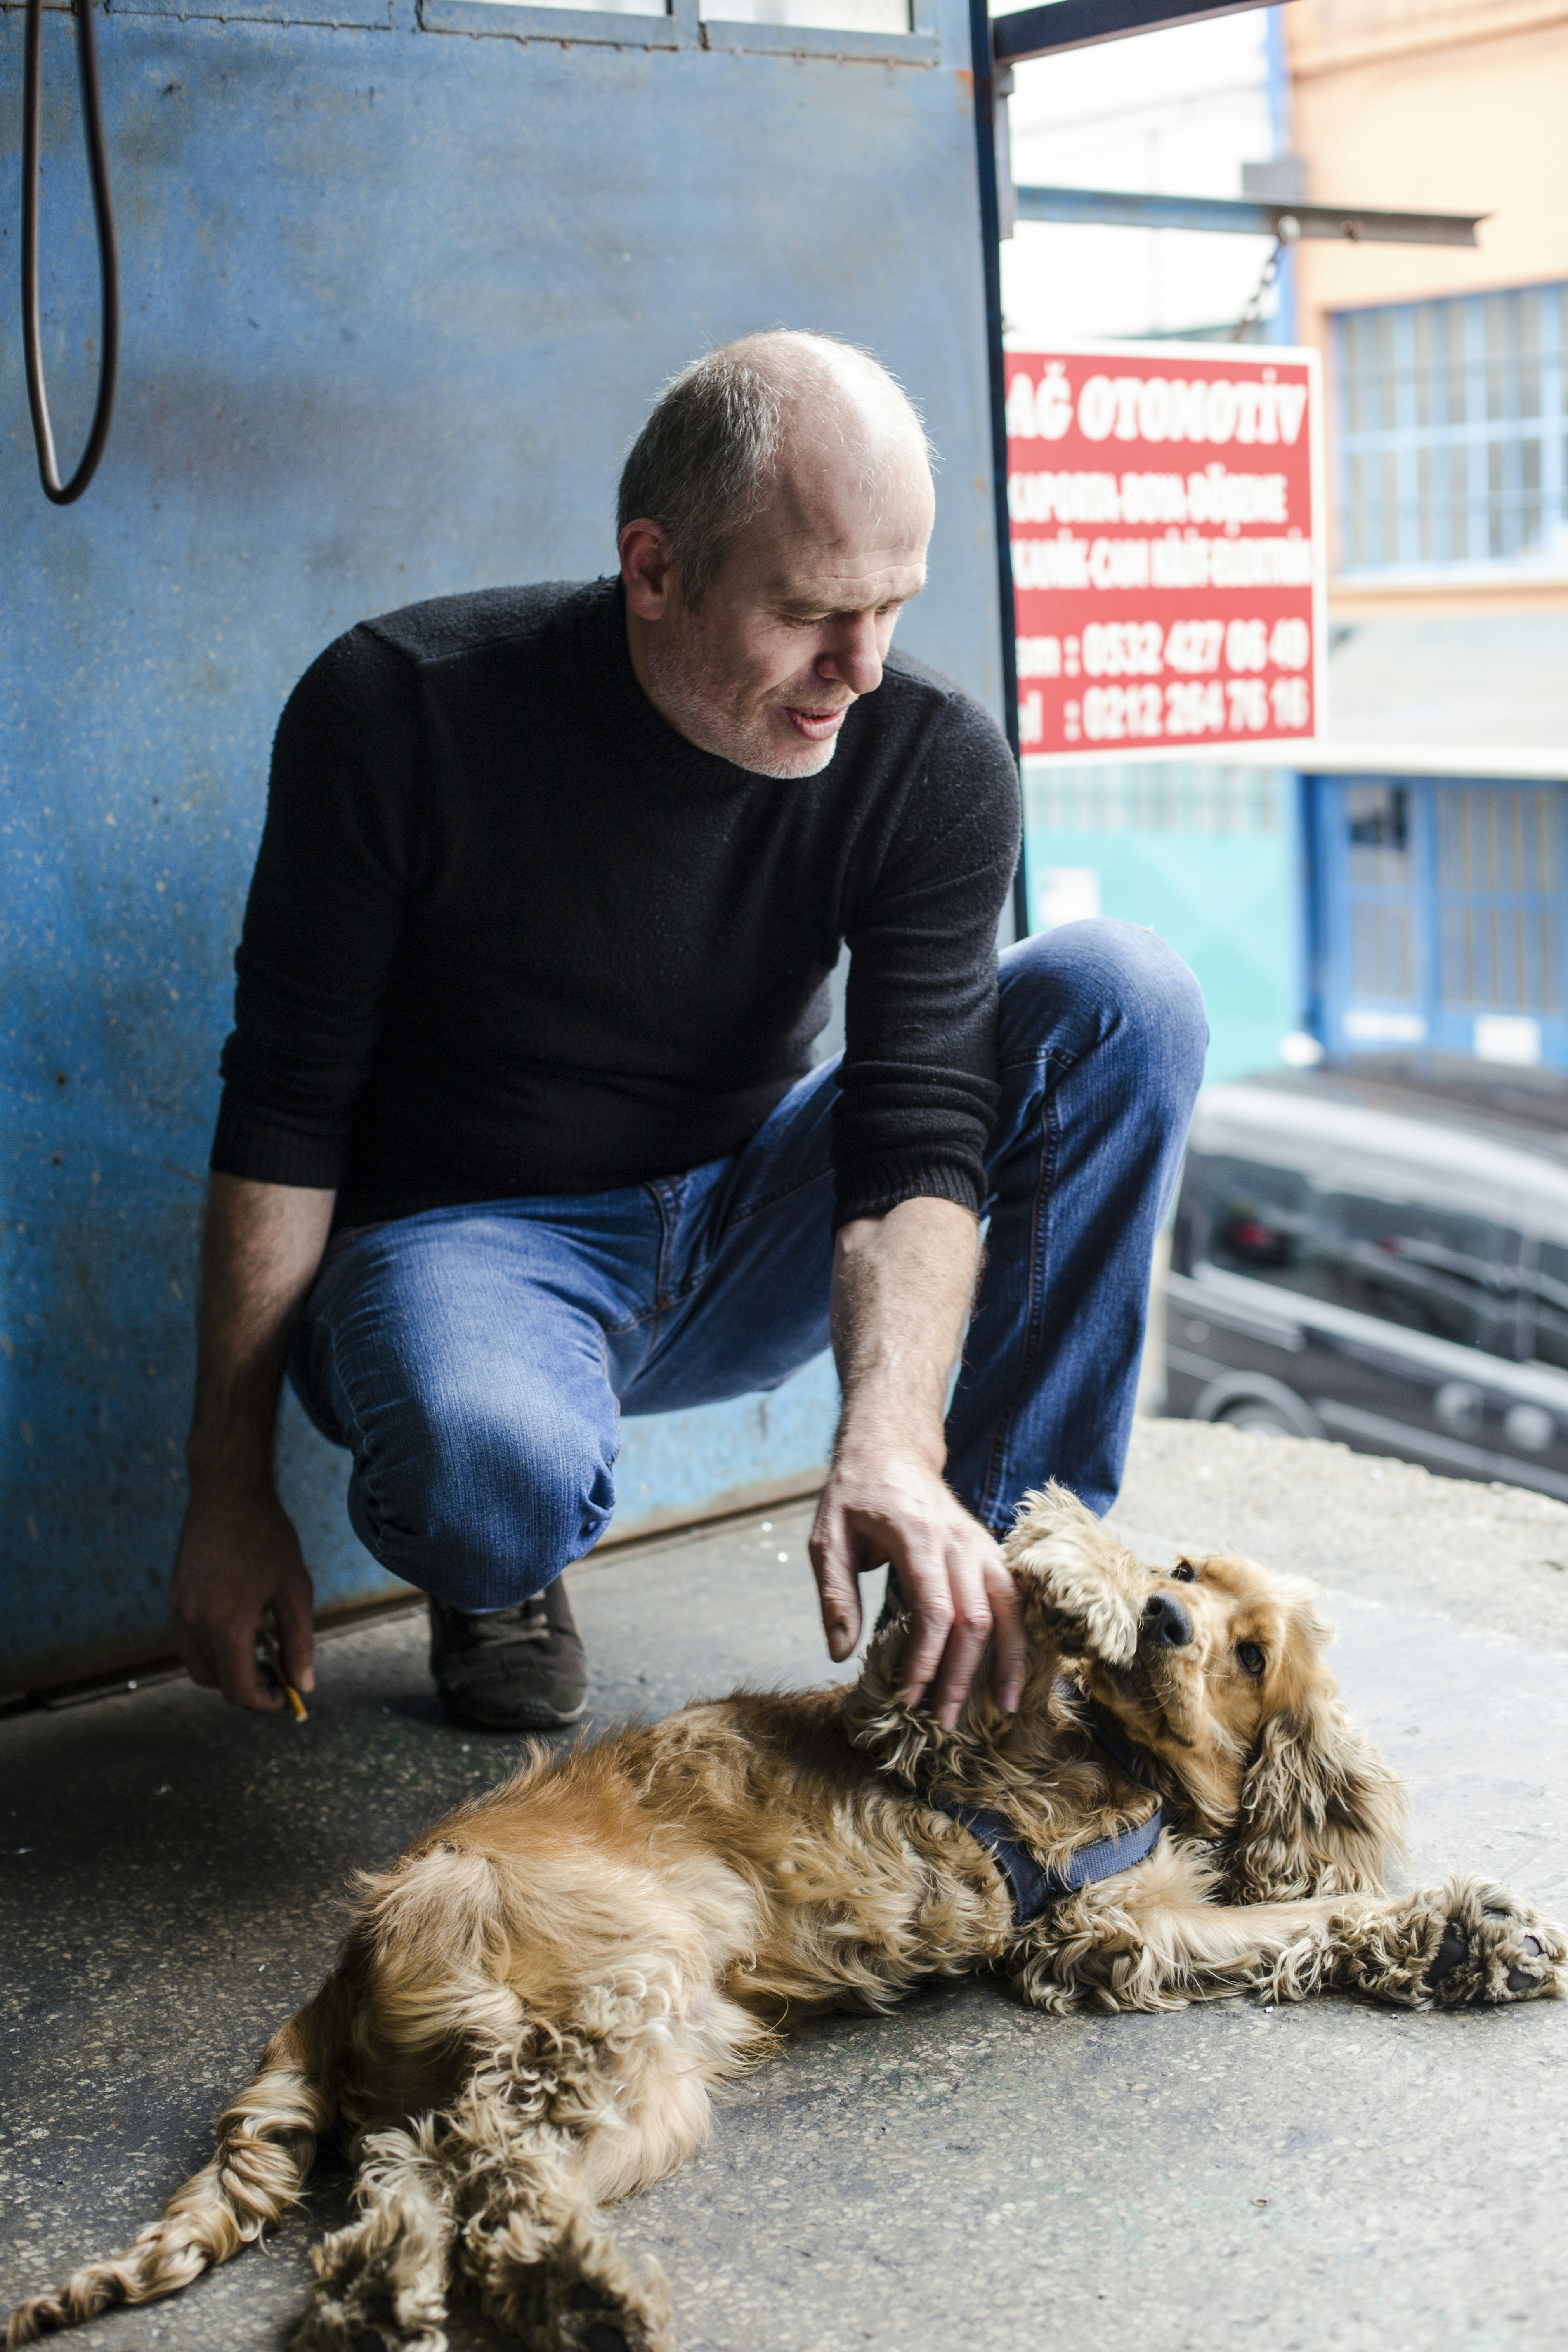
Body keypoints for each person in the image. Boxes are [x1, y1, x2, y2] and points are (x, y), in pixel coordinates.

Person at [169, 330, 1207, 1733]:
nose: (862, 666)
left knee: (1123, 995)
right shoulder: (396, 710)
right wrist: (227, 1490)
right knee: (490, 1481)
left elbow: (918, 1132)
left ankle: (1001, 1589)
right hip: (471, 1245)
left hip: (746, 1218)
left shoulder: (925, 759)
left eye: (894, 606)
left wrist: (892, 1436)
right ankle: (504, 1564)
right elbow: (286, 1105)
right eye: (813, 612)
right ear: (653, 569)